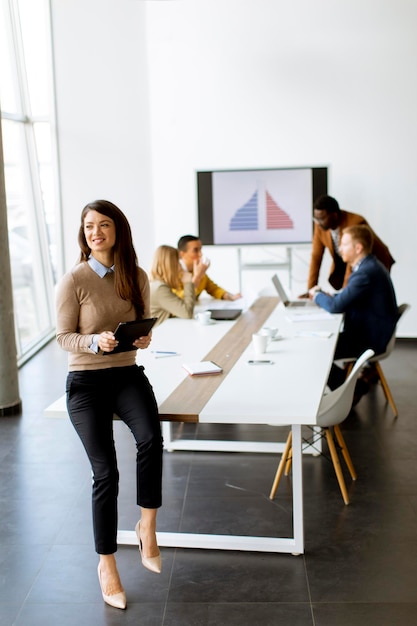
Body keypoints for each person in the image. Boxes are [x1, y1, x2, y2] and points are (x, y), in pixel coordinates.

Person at [55, 200, 163, 610]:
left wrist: (143, 339)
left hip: (126, 374)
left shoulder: (136, 275)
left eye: (103, 225)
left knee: (152, 439)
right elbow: (63, 336)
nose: (95, 232)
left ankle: (147, 527)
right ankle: (106, 564)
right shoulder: (74, 280)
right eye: (88, 226)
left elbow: (144, 322)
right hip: (85, 381)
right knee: (106, 472)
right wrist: (91, 341)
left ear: (118, 230)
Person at [309, 224, 398, 396]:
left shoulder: (365, 272)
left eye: (344, 244)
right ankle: (349, 386)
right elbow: (347, 296)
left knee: (318, 350)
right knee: (322, 346)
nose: (339, 248)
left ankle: (348, 392)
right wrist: (330, 295)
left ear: (358, 248)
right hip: (369, 333)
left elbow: (336, 307)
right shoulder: (368, 267)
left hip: (369, 339)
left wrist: (317, 295)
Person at [305, 195, 395, 293]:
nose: (318, 223)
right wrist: (310, 290)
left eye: (322, 218)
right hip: (348, 262)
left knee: (369, 297)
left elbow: (353, 258)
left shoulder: (355, 222)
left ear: (334, 215)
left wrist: (345, 294)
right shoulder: (320, 226)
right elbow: (316, 257)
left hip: (375, 261)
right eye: (316, 219)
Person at [174, 235, 241, 301]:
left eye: (200, 249)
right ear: (182, 254)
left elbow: (213, 289)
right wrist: (197, 277)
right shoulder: (173, 273)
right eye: (195, 250)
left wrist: (229, 296)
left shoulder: (196, 271)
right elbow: (180, 299)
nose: (200, 254)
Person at [149, 244, 198, 325]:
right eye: (178, 261)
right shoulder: (160, 289)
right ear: (170, 264)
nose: (180, 266)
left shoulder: (155, 284)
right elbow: (187, 313)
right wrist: (188, 283)